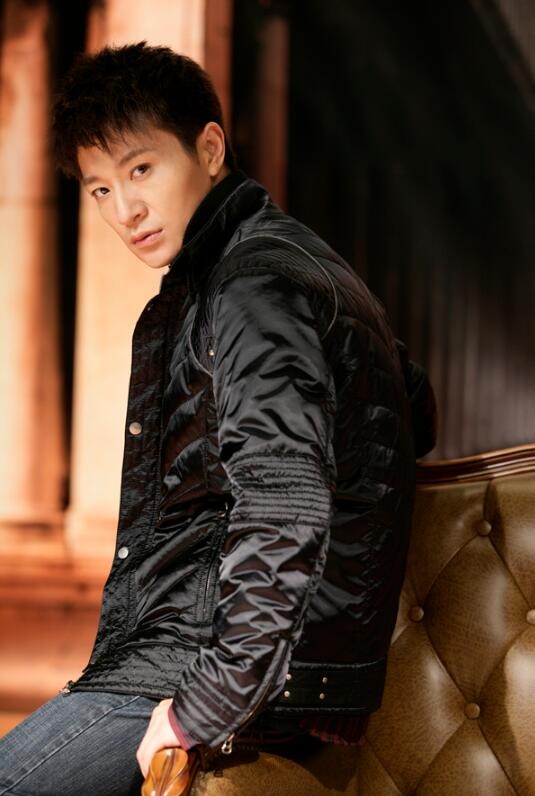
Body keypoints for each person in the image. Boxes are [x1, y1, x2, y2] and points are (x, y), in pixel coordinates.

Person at [0, 42, 437, 795]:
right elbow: (413, 412)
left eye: (141, 169)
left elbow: (284, 504)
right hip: (263, 661)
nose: (125, 210)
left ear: (208, 148)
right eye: (100, 188)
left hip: (210, 663)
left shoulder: (249, 287)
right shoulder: (304, 265)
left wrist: (199, 708)